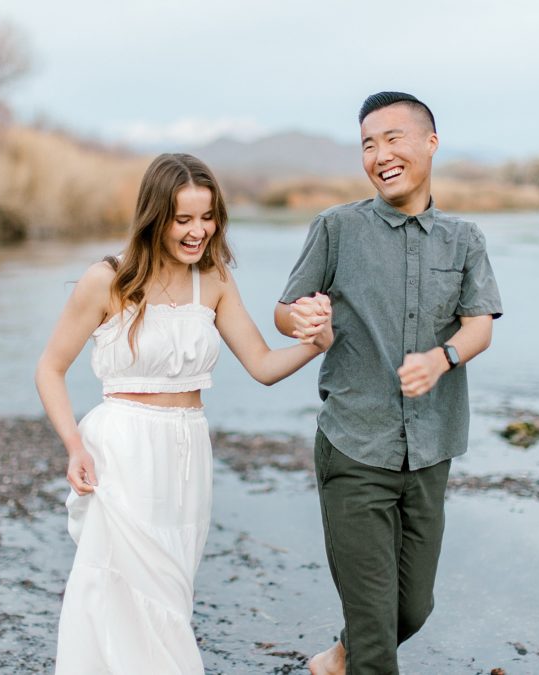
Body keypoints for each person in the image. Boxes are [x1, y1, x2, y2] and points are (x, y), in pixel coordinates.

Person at [35, 153, 333, 675]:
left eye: (208, 216)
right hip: (122, 450)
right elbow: (49, 369)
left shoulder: (213, 280)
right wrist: (75, 447)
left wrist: (317, 344)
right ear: (156, 216)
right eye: (184, 219)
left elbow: (262, 365)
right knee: (121, 588)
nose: (199, 231)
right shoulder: (107, 280)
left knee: (170, 592)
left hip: (188, 454)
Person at [274, 92, 503, 675]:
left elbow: (480, 326)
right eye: (368, 145)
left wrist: (442, 358)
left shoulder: (465, 237)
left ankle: (337, 659)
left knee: (412, 609)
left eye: (393, 138)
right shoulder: (336, 228)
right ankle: (359, 656)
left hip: (431, 449)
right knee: (379, 642)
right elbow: (285, 310)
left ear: (430, 142)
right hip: (354, 444)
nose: (380, 154)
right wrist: (302, 320)